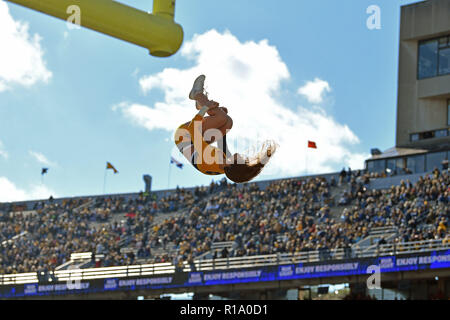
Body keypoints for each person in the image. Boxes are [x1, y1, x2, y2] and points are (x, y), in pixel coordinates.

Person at [174, 75, 277, 183]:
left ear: (235, 164)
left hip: (184, 134)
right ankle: (202, 103)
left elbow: (193, 129)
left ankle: (197, 94)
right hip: (194, 141)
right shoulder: (225, 164)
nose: (243, 156)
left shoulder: (210, 159)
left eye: (243, 159)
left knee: (222, 118)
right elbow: (221, 139)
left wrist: (207, 109)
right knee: (228, 122)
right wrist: (218, 115)